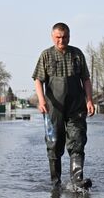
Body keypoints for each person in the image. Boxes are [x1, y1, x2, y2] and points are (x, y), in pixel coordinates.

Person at [32, 22, 95, 189]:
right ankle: (56, 183)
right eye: (58, 37)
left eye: (65, 37)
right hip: (53, 107)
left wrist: (89, 100)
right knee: (54, 143)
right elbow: (38, 79)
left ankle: (77, 180)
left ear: (69, 36)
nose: (62, 40)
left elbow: (86, 79)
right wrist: (42, 100)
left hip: (76, 106)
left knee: (77, 140)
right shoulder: (46, 55)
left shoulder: (77, 55)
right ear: (53, 37)